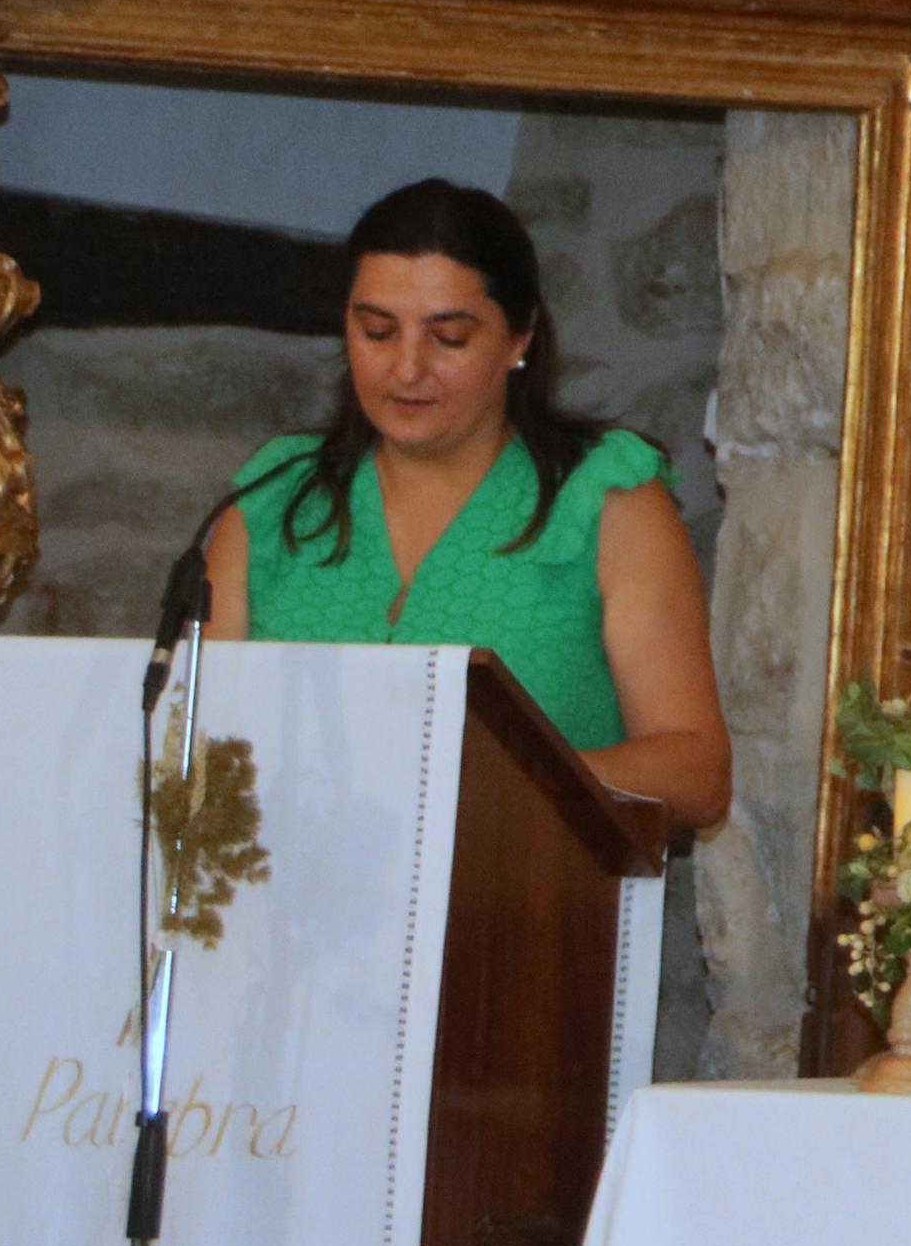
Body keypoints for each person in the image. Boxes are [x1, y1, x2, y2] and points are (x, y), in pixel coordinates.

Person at [210, 180, 732, 827]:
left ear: (520, 337)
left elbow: (695, 772)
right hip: (288, 908)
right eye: (376, 331)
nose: (406, 368)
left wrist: (486, 774)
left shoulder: (603, 497)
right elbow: (198, 747)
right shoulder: (274, 498)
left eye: (448, 337)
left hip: (523, 907)